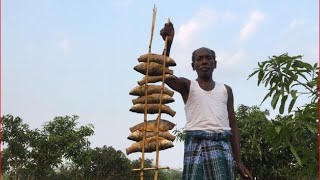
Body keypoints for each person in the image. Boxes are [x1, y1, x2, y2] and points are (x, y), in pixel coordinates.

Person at [160, 22, 253, 180]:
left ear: (215, 64)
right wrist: (168, 44)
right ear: (193, 65)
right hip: (196, 145)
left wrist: (239, 162)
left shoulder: (226, 90)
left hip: (222, 145)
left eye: (208, 58)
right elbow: (162, 73)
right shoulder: (188, 86)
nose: (204, 61)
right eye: (199, 59)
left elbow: (233, 125)